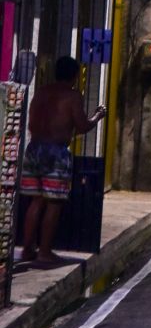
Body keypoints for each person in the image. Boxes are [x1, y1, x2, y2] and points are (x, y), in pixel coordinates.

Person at [20, 56, 107, 265]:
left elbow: (31, 121)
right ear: (75, 76)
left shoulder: (41, 92)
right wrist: (97, 116)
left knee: (36, 200)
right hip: (56, 152)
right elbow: (82, 125)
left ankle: (27, 248)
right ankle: (45, 251)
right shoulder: (72, 96)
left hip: (34, 148)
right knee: (54, 202)